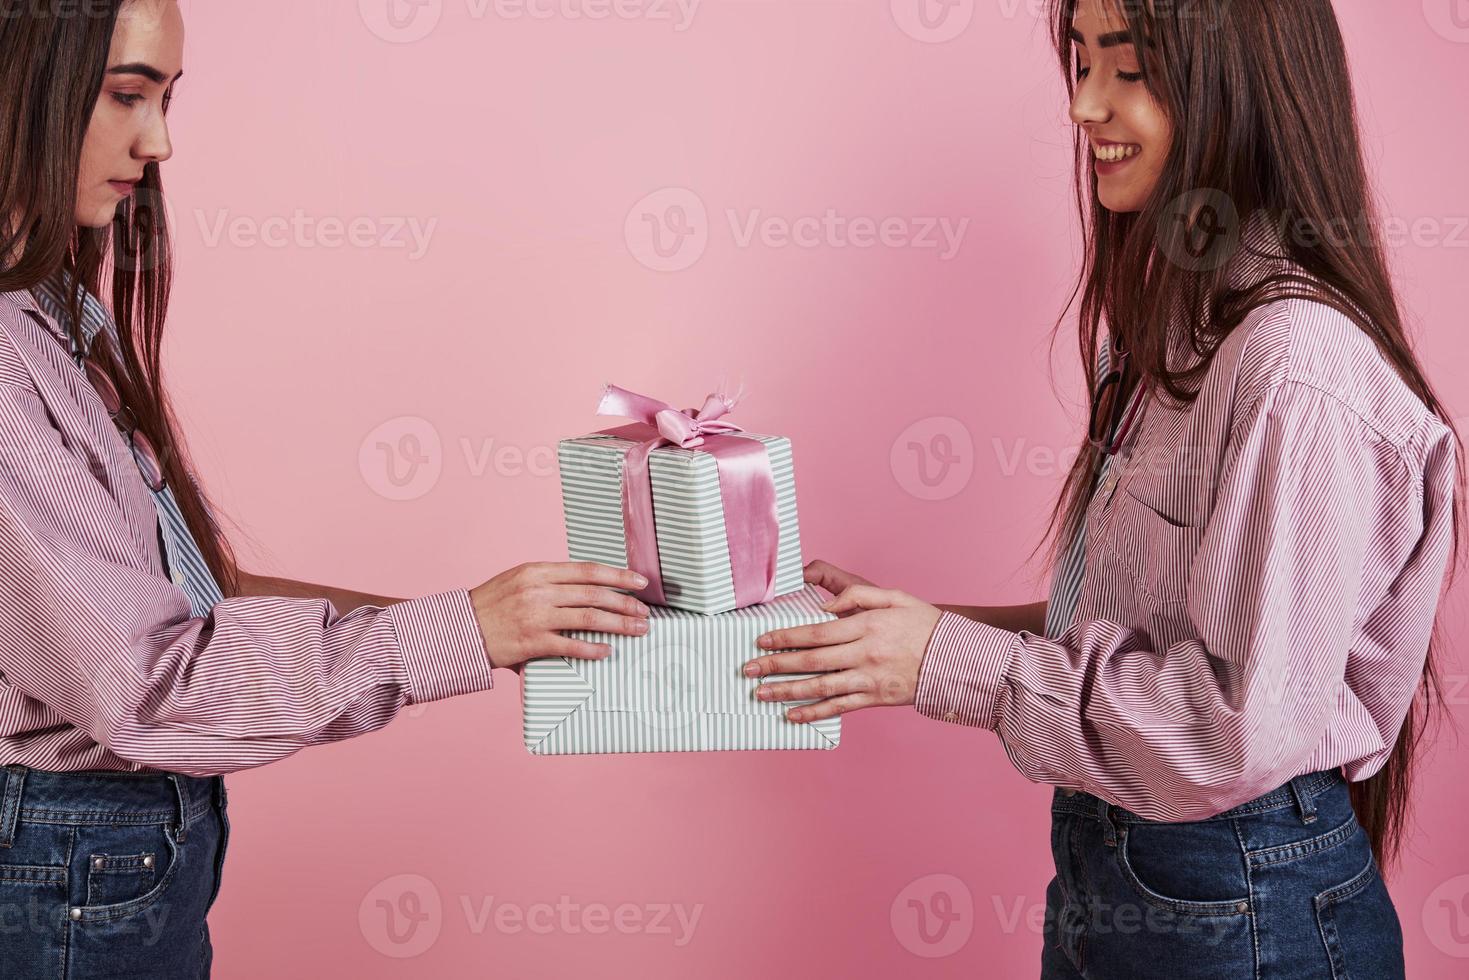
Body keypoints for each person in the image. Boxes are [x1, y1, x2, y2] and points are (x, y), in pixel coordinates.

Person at [742, 1, 1464, 976]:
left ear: (1234, 85)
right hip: (1118, 864)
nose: (1083, 105)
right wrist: (907, 632)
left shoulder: (1293, 366)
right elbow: (1141, 641)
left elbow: (1233, 728)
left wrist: (944, 661)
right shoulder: (1163, 333)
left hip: (1235, 892)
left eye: (1127, 68)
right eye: (1079, 64)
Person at [0, 3, 649, 976]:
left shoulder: (54, 310)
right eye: (128, 95)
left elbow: (186, 605)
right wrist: (459, 630)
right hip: (78, 851)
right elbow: (146, 685)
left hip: (124, 841)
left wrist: (488, 620)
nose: (159, 140)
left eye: (168, 99)